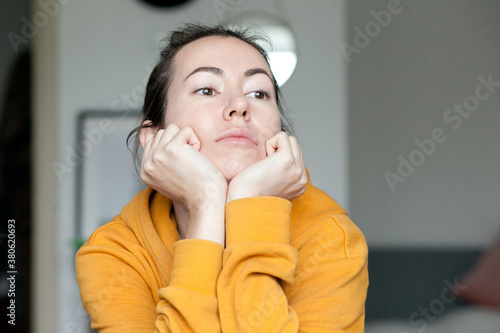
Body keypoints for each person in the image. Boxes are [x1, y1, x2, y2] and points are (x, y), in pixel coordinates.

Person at [76, 23, 368, 332]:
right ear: (154, 137)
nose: (240, 105)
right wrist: (206, 201)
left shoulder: (331, 240)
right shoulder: (115, 251)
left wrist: (251, 206)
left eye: (258, 92)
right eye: (207, 89)